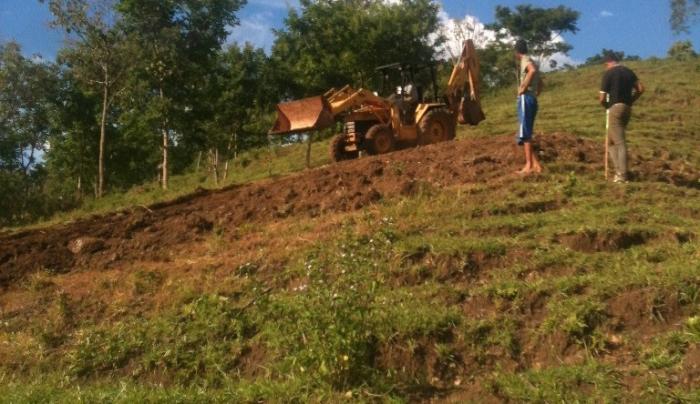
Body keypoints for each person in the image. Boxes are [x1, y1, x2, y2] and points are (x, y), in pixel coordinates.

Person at [599, 52, 645, 183]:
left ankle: (623, 175)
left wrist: (607, 106)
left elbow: (601, 98)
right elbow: (641, 89)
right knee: (611, 142)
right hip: (627, 109)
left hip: (615, 108)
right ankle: (618, 171)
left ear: (608, 62)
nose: (605, 67)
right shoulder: (629, 72)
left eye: (605, 65)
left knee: (619, 142)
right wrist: (630, 100)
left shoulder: (609, 73)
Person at [514, 39, 544, 174]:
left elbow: (531, 71)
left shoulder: (525, 60)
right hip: (532, 99)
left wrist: (523, 88)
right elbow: (541, 82)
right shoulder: (532, 60)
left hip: (526, 99)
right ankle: (536, 165)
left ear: (516, 52)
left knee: (524, 134)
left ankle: (528, 166)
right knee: (527, 134)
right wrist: (536, 92)